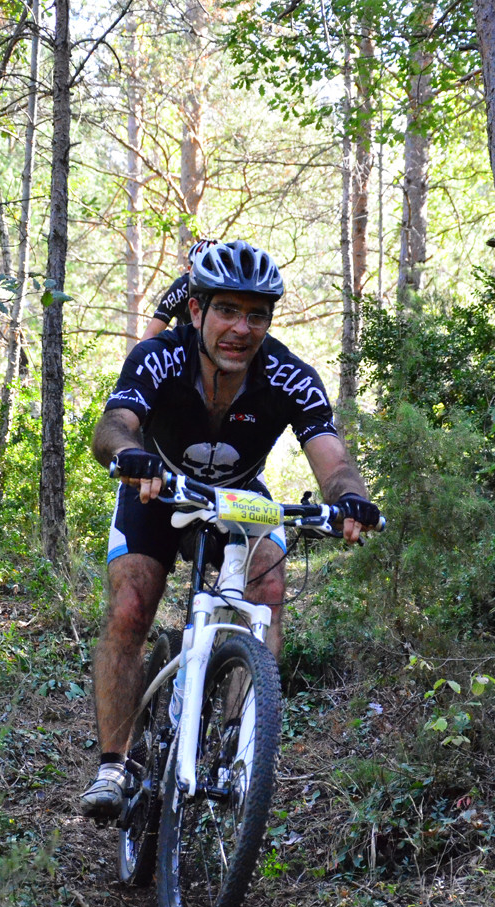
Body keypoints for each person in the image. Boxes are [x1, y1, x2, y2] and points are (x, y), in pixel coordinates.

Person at [81, 238, 380, 822]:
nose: (241, 328)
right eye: (227, 311)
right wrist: (130, 454)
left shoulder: (290, 374)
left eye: (257, 315)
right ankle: (115, 761)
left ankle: (240, 742)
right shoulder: (160, 356)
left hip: (241, 496)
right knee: (131, 609)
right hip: (157, 490)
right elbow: (114, 424)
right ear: (196, 310)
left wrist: (350, 500)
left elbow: (333, 460)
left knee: (267, 592)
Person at [138, 238, 217, 341]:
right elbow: (152, 332)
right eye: (201, 270)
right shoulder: (182, 287)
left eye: (212, 269)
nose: (207, 276)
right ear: (190, 270)